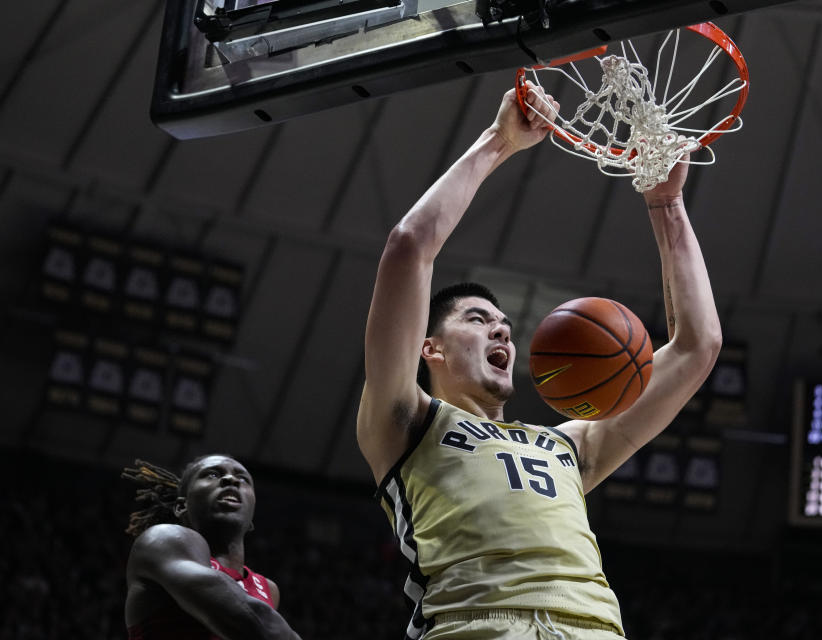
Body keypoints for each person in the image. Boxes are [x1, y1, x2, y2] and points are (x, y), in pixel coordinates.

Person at [357, 80, 722, 640]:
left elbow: (698, 346)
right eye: (477, 320)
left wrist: (667, 204)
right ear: (429, 348)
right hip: (475, 625)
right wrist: (497, 142)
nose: (500, 327)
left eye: (503, 324)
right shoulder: (406, 421)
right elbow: (410, 246)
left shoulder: (569, 446)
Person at [121, 455, 302, 640]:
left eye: (242, 478)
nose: (231, 479)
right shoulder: (161, 539)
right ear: (182, 506)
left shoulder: (268, 589)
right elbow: (248, 619)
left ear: (250, 518)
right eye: (213, 474)